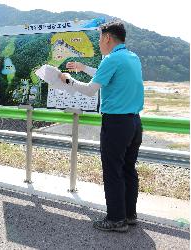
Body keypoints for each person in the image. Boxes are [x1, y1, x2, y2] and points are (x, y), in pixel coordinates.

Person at [60, 21, 144, 232]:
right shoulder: (131, 58)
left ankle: (116, 219)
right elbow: (106, 75)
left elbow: (90, 90)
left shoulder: (111, 59)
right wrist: (82, 67)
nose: (99, 43)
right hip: (134, 122)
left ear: (107, 38)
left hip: (116, 123)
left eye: (99, 38)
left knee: (113, 170)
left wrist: (69, 80)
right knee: (127, 168)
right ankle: (129, 214)